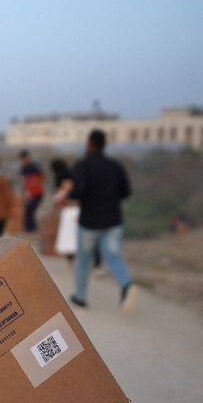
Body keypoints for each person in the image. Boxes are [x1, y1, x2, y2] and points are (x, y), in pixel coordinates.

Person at [69, 129, 137, 310]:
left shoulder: (82, 165)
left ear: (89, 143)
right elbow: (126, 192)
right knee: (114, 256)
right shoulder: (115, 166)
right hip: (114, 220)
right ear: (104, 144)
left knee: (83, 260)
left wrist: (73, 193)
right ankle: (126, 283)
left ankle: (80, 296)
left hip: (89, 221)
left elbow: (78, 191)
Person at [18, 149, 44, 233]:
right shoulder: (23, 168)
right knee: (28, 210)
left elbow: (40, 178)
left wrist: (31, 185)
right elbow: (23, 181)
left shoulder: (35, 166)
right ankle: (29, 228)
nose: (23, 161)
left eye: (24, 159)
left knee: (30, 210)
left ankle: (31, 228)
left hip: (37, 192)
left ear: (28, 157)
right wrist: (23, 193)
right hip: (29, 193)